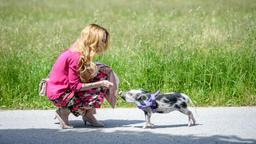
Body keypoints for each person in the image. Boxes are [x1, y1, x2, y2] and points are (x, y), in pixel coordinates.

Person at [46, 24, 118, 129]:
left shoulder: (77, 50)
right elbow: (75, 86)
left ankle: (88, 114)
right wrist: (101, 83)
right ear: (92, 40)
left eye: (104, 41)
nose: (104, 44)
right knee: (101, 81)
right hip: (59, 93)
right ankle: (63, 112)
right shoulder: (76, 56)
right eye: (102, 41)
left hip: (62, 89)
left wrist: (98, 69)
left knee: (102, 74)